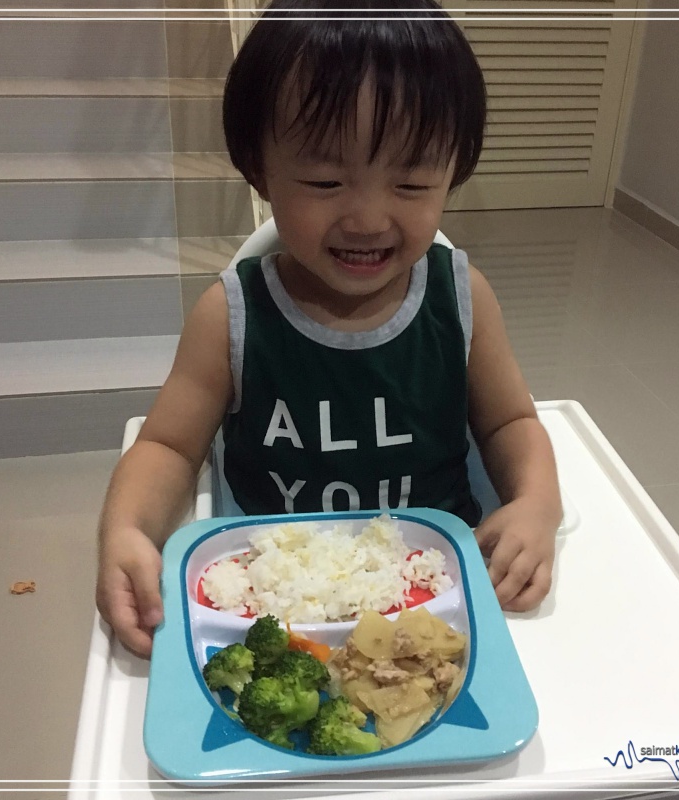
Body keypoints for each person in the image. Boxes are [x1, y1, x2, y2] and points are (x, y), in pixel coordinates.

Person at [96, 0, 563, 657]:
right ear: (259, 168)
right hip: (273, 609)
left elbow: (511, 422)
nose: (368, 217)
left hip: (436, 596)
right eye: (325, 179)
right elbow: (168, 448)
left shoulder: (462, 299)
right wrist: (126, 533)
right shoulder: (231, 315)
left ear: (452, 170)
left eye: (409, 182)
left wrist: (538, 504)